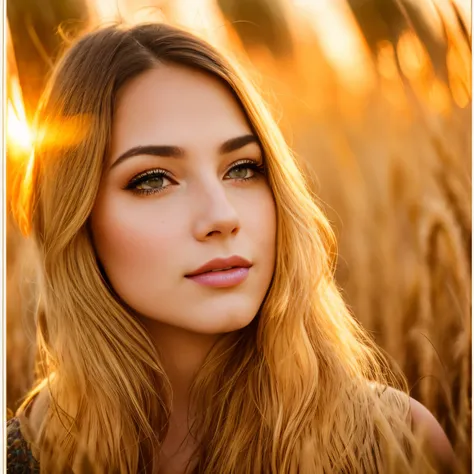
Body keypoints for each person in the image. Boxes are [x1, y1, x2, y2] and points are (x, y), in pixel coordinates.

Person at [7, 22, 455, 474]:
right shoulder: (26, 457)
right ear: (77, 217)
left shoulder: (391, 443)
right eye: (153, 179)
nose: (222, 216)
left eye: (242, 169)